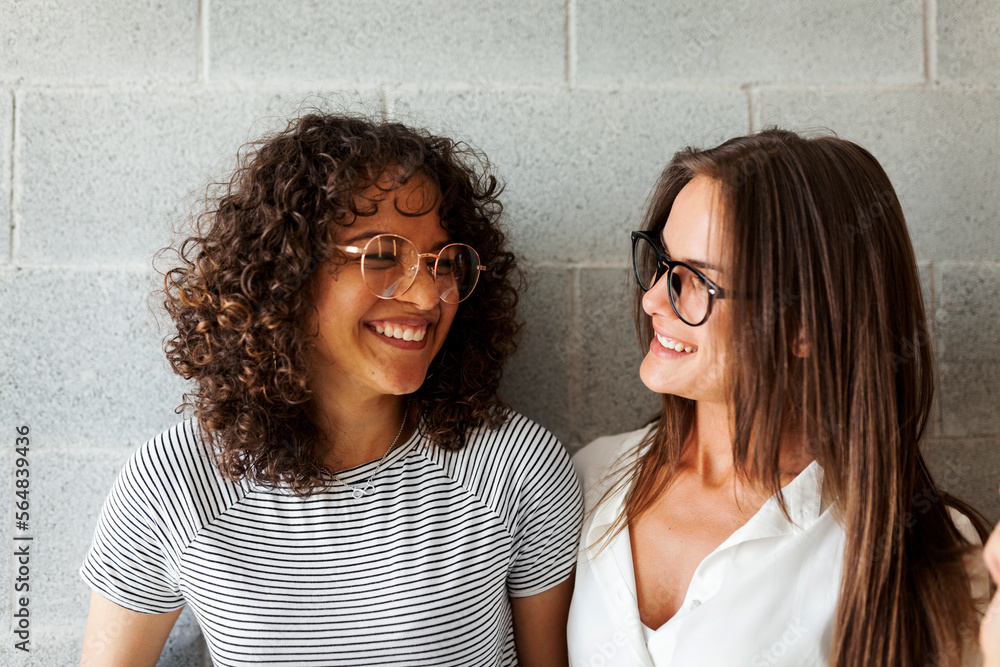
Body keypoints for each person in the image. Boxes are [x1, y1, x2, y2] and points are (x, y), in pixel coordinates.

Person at [80, 112, 582, 666]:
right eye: (383, 256)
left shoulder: (516, 468)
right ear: (287, 271)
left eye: (442, 262)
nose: (425, 298)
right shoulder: (175, 484)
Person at [567, 129, 990, 666]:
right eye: (662, 262)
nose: (653, 298)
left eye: (697, 279)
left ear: (809, 325)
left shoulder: (926, 560)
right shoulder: (588, 478)